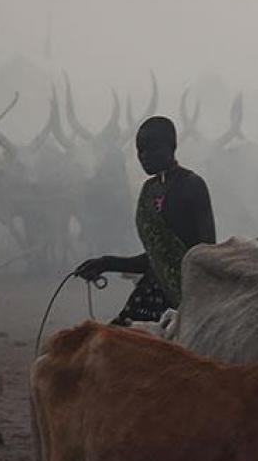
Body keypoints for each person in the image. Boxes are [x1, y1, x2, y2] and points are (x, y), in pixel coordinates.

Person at [76, 116, 215, 325]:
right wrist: (105, 263)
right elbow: (155, 261)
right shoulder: (149, 190)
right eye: (140, 150)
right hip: (150, 292)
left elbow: (205, 254)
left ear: (172, 147)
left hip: (189, 300)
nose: (144, 156)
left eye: (152, 149)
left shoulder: (192, 185)